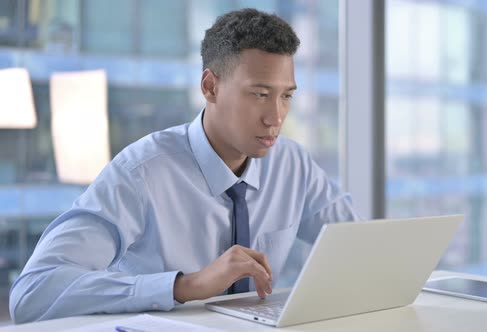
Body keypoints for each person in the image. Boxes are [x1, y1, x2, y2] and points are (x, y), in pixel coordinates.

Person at [9, 8, 360, 324]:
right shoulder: (142, 172)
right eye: (259, 94)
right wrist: (184, 285)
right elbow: (32, 292)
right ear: (210, 87)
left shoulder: (292, 163)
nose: (276, 118)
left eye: (286, 96)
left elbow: (362, 247)